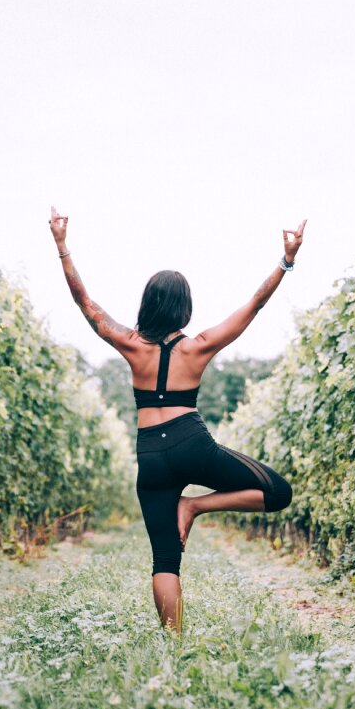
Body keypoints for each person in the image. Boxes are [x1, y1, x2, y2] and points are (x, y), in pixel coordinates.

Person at [49, 207, 307, 633]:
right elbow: (254, 306)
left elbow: (85, 303)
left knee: (165, 558)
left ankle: (174, 642)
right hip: (191, 442)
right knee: (277, 492)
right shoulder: (199, 346)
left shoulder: (131, 345)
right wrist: (286, 260)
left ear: (147, 305)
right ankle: (196, 505)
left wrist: (62, 246)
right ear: (186, 307)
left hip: (150, 452)